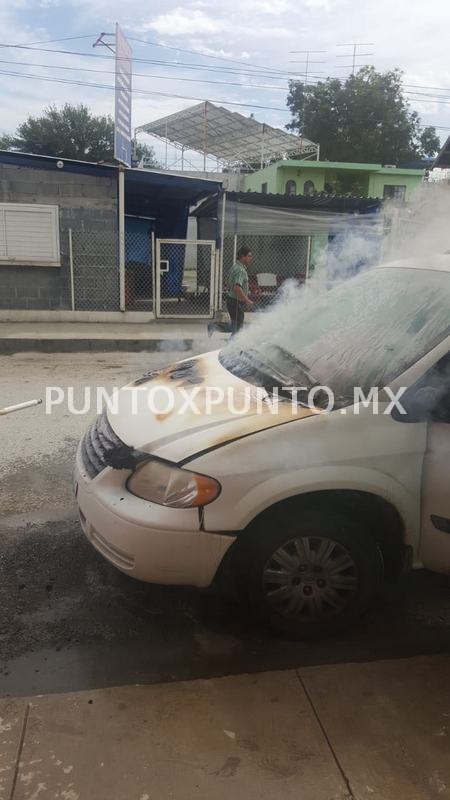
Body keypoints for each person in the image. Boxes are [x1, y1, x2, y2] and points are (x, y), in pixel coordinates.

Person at [208, 245, 254, 337]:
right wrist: (247, 300)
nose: (250, 258)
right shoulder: (241, 270)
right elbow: (237, 288)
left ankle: (216, 328)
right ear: (242, 256)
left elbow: (227, 281)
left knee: (235, 327)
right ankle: (215, 327)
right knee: (237, 328)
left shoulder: (235, 266)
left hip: (232, 300)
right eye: (249, 256)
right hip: (235, 302)